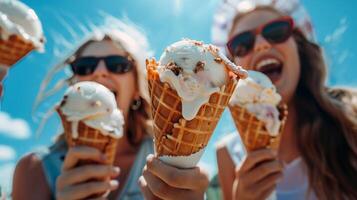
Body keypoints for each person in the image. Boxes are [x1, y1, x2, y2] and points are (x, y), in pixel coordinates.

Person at [12, 17, 208, 200]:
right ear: (74, 84)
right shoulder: (33, 168)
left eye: (118, 65)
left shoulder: (169, 160)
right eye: (85, 66)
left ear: (136, 90)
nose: (99, 72)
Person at [212, 0, 357, 199]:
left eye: (276, 31)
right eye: (242, 44)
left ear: (299, 47)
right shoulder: (227, 155)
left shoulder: (351, 118)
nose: (262, 45)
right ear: (234, 70)